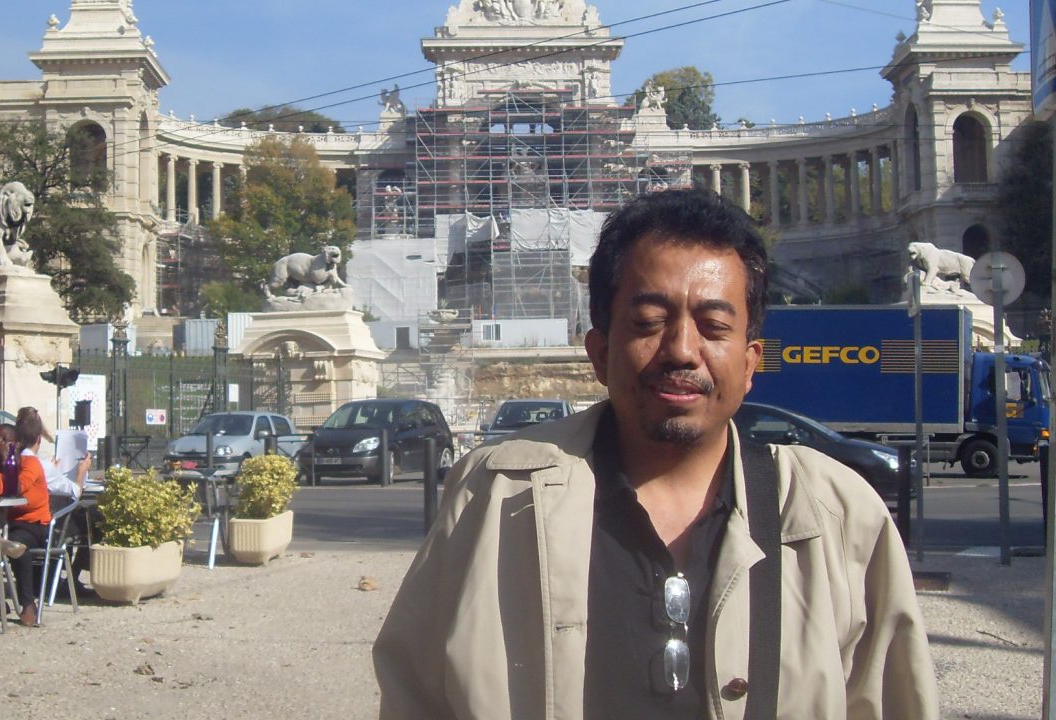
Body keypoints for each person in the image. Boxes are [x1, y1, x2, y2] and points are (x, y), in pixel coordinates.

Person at [374, 190, 937, 718]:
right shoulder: (493, 495)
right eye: (648, 322)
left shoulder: (839, 515)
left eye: (714, 326)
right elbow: (414, 695)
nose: (682, 351)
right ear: (599, 352)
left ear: (750, 363)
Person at [6, 411, 52, 627]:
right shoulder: (13, 460)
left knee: (17, 546)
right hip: (10, 521)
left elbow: (17, 488)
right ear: (39, 439)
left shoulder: (29, 463)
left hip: (32, 524)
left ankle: (27, 603)